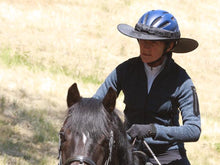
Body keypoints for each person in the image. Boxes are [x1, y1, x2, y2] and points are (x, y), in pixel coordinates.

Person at [93, 9, 201, 165]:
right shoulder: (124, 70)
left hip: (168, 154)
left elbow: (193, 130)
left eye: (153, 42)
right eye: (141, 40)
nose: (145, 47)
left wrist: (153, 130)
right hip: (129, 149)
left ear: (169, 45)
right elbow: (97, 104)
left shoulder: (182, 81)